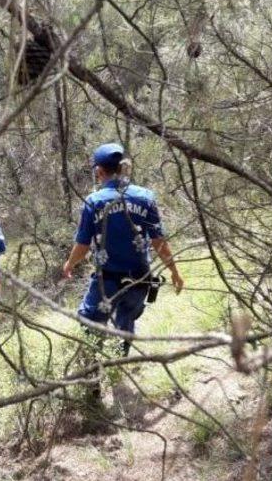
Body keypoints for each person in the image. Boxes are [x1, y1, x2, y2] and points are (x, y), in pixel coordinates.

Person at [63, 142, 184, 363]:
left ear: (99, 171)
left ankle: (93, 373)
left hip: (106, 282)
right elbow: (159, 241)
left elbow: (82, 245)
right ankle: (119, 365)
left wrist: (70, 264)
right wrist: (174, 271)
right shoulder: (146, 197)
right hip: (139, 279)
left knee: (90, 322)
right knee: (126, 324)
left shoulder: (95, 202)